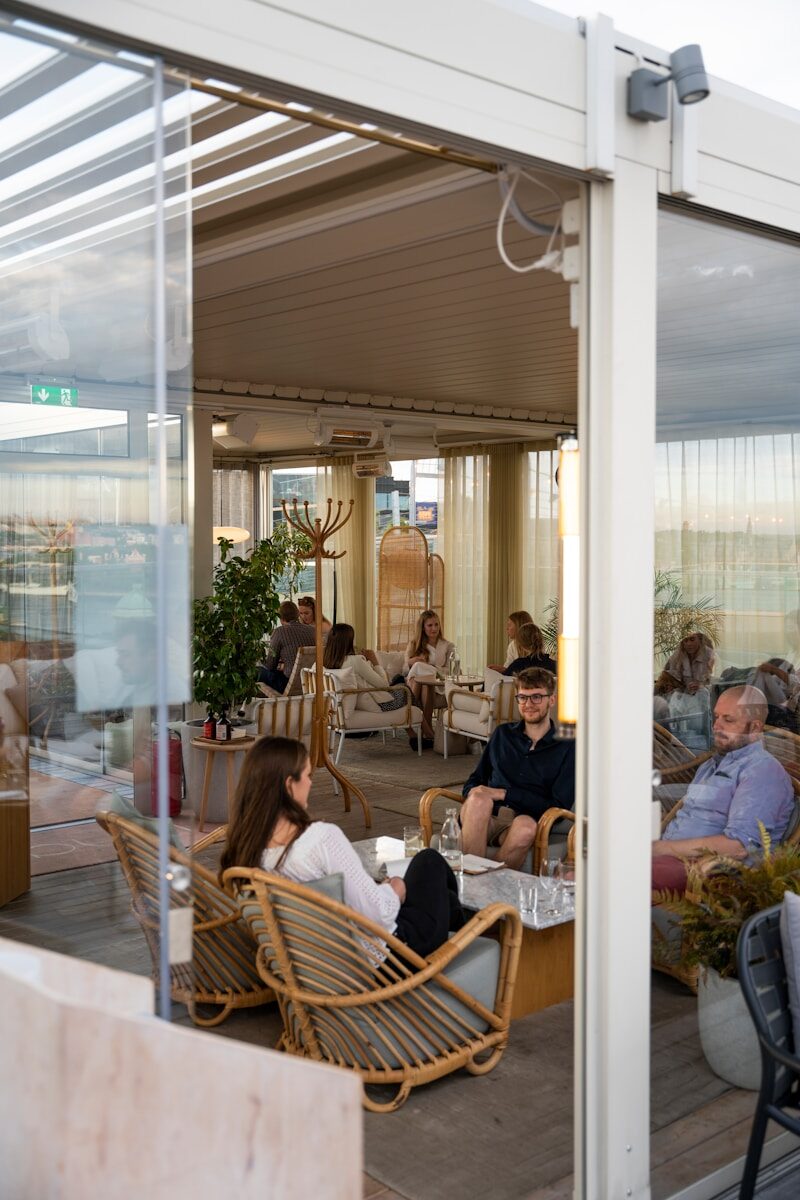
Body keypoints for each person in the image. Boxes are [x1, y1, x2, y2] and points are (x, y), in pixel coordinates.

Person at [219, 736, 465, 957]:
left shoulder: (247, 848)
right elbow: (380, 913)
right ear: (288, 785)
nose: (311, 784)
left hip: (316, 958)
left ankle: (456, 916)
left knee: (429, 878)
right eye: (307, 776)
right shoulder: (321, 839)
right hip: (391, 955)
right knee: (429, 860)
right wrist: (395, 890)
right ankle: (466, 928)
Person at [651, 685, 794, 893]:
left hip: (709, 872)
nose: (716, 725)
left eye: (728, 720)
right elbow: (691, 811)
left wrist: (660, 849)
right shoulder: (713, 764)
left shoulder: (762, 772)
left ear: (754, 728)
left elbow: (739, 847)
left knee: (620, 872)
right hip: (672, 857)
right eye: (716, 716)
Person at [460, 667, 575, 869]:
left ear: (552, 700)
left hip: (524, 821)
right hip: (485, 818)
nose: (528, 704)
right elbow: (474, 781)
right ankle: (472, 887)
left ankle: (481, 885)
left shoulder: (567, 746)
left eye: (537, 697)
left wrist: (504, 794)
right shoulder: (502, 735)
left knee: (525, 827)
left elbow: (557, 806)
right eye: (522, 697)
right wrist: (475, 794)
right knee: (478, 801)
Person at [403, 609, 455, 749]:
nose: (434, 628)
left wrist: (430, 666)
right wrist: (411, 661)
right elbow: (405, 670)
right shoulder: (414, 645)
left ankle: (414, 725)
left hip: (438, 682)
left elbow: (450, 670)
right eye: (430, 625)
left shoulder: (448, 645)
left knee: (425, 678)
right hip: (417, 683)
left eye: (436, 625)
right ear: (423, 627)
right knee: (422, 678)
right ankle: (428, 732)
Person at [323, 622, 405, 711]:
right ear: (349, 642)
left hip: (337, 706)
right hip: (382, 703)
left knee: (398, 678)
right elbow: (384, 685)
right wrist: (374, 661)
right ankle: (419, 722)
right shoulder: (355, 661)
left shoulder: (325, 663)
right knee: (405, 688)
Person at [258, 600, 316, 694]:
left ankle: (247, 706)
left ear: (280, 617)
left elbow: (270, 666)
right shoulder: (312, 630)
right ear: (297, 614)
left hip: (287, 684)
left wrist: (260, 655)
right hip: (311, 683)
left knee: (257, 671)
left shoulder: (279, 632)